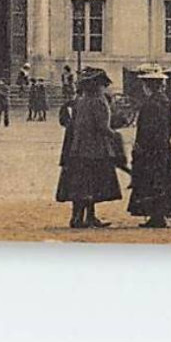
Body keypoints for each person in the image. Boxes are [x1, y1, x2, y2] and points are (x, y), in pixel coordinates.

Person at [55, 67, 123, 228]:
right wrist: (115, 135)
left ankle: (79, 217)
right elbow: (102, 126)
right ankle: (86, 218)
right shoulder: (99, 101)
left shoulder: (80, 101)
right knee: (93, 184)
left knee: (81, 184)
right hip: (95, 150)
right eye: (102, 84)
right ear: (98, 85)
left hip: (77, 149)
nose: (104, 87)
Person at [127, 67, 171, 228]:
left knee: (153, 181)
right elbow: (170, 126)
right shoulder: (165, 102)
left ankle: (157, 217)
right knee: (161, 180)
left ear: (148, 86)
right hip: (162, 147)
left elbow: (146, 129)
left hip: (150, 148)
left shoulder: (151, 104)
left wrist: (140, 146)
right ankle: (157, 215)